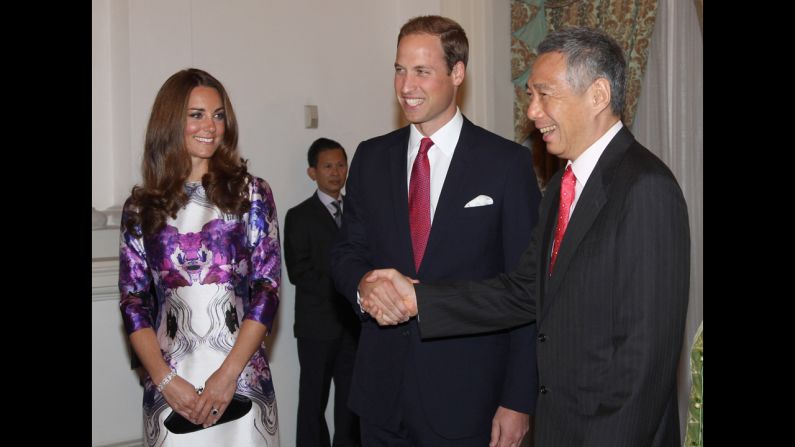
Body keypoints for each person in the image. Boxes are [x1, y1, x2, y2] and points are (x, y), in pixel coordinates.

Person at [363, 26, 691, 447]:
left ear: (597, 95)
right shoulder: (560, 187)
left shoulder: (645, 187)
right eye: (530, 95)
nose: (532, 112)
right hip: (558, 427)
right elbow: (522, 292)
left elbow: (645, 360)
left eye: (544, 93)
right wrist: (418, 300)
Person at [330, 15, 542, 447]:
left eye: (422, 71)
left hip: (469, 398)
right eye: (399, 69)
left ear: (457, 72)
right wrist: (363, 284)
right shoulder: (371, 158)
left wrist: (518, 400)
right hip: (380, 398)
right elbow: (345, 252)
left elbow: (528, 289)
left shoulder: (505, 164)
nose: (406, 85)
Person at [118, 68, 281, 446]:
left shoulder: (251, 194)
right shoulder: (140, 208)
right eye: (197, 114)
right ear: (171, 121)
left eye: (219, 114)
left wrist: (228, 377)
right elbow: (133, 303)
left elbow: (267, 291)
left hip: (242, 381)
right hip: (171, 385)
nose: (211, 125)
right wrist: (165, 380)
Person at [284, 138, 360, 447]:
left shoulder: (357, 213)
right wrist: (346, 287)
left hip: (354, 326)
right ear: (312, 172)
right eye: (327, 166)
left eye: (341, 165)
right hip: (316, 326)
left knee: (351, 402)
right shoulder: (299, 216)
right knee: (313, 402)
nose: (336, 172)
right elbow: (298, 271)